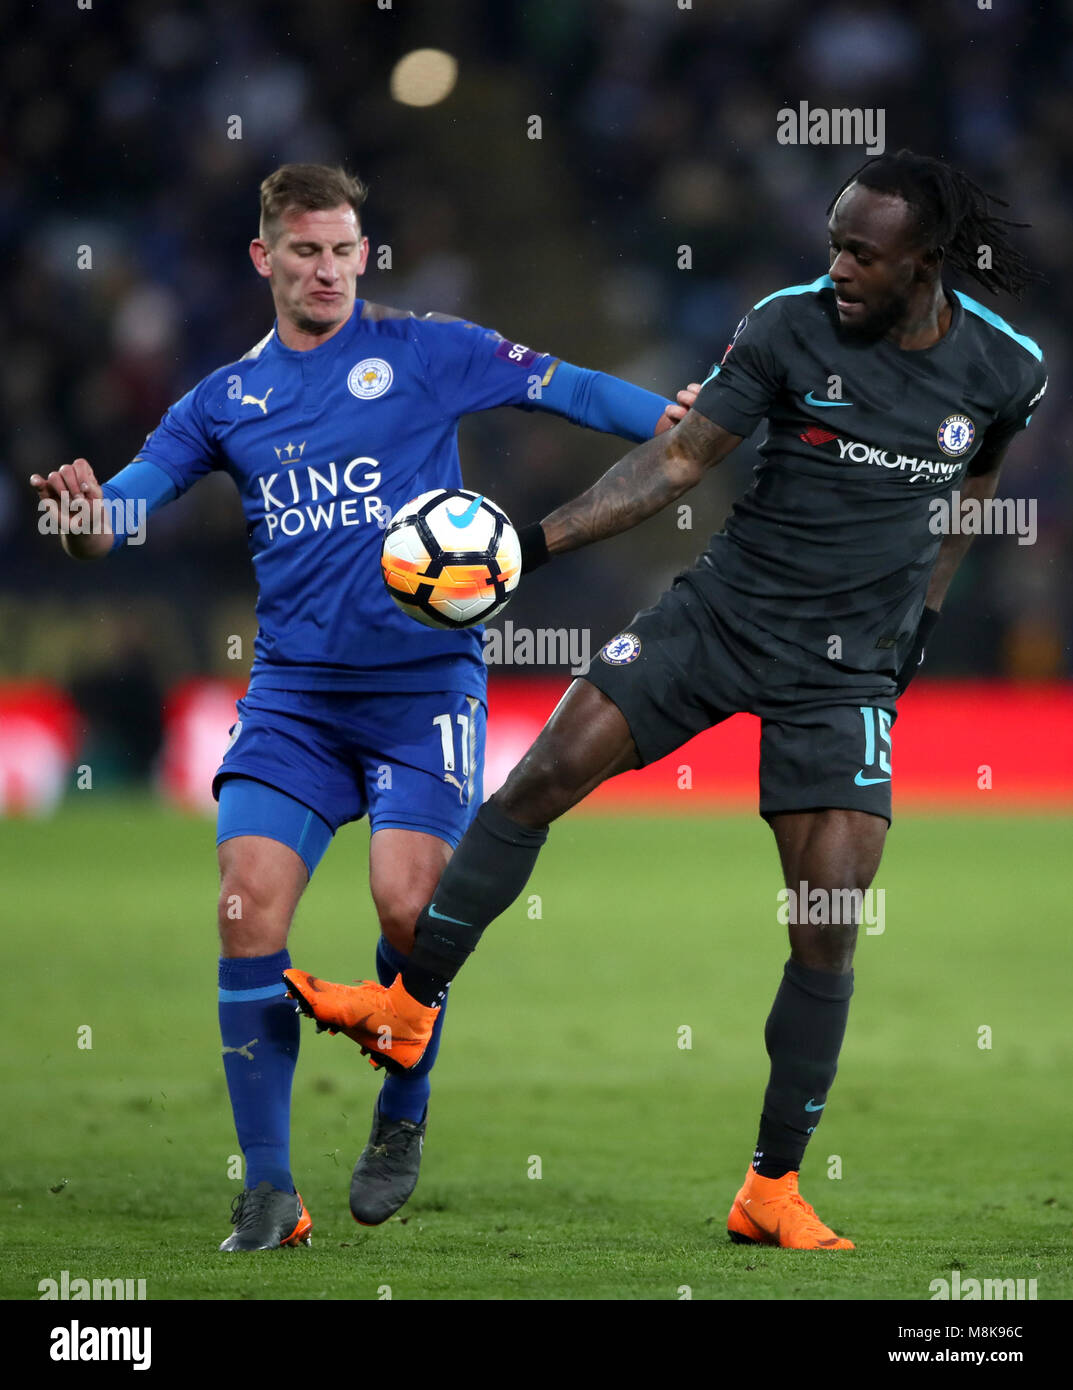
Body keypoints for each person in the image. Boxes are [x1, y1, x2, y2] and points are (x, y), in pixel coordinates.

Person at [286, 150, 1048, 1250]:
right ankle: (404, 1009)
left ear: (922, 266)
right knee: (543, 772)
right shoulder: (785, 326)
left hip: (842, 672)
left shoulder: (1003, 368)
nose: (834, 265)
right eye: (831, 241)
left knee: (827, 921)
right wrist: (526, 548)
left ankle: (769, 1187)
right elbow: (678, 462)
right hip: (723, 613)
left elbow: (976, 482)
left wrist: (918, 628)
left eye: (859, 253)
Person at [30, 163, 696, 1251]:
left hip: (421, 686)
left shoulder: (425, 349)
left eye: (344, 250)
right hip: (293, 696)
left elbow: (568, 388)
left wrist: (680, 422)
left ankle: (399, 1111)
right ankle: (269, 1188)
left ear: (361, 254)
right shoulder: (222, 402)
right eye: (305, 252)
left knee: (404, 913)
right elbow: (123, 513)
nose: (328, 269)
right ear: (265, 260)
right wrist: (82, 521)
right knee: (246, 906)